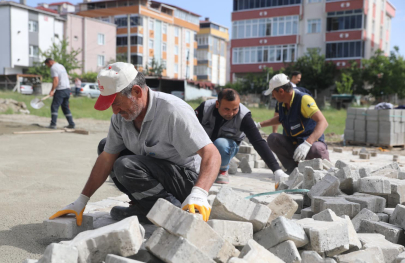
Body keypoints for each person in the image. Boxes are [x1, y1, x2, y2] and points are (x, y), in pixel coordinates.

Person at [49, 62, 220, 224]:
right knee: (105, 147)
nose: (114, 111)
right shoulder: (120, 118)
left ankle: (169, 209)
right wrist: (81, 201)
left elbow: (212, 153)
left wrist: (199, 193)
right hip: (158, 173)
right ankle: (147, 207)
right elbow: (106, 159)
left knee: (126, 165)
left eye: (116, 103)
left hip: (187, 182)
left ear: (137, 92)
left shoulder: (172, 111)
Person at [194, 89, 285, 184]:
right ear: (217, 104)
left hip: (227, 147)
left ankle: (223, 169)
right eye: (226, 109)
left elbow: (258, 142)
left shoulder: (244, 116)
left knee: (221, 143)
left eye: (235, 109)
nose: (231, 113)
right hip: (204, 146)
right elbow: (188, 128)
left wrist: (277, 170)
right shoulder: (205, 108)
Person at [258, 73, 329, 179]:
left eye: (273, 93)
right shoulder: (281, 103)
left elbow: (323, 122)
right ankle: (292, 169)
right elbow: (281, 118)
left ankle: (326, 170)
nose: (273, 96)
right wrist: (259, 125)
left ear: (281, 91)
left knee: (316, 149)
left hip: (311, 144)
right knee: (273, 138)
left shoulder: (303, 99)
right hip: (294, 144)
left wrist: (307, 144)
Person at [44, 58, 75, 129]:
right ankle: (71, 124)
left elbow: (56, 79)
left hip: (61, 89)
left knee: (54, 106)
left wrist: (52, 90)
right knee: (65, 107)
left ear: (50, 62)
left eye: (47, 65)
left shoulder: (53, 67)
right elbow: (65, 77)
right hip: (67, 89)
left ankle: (53, 124)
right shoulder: (61, 66)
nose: (48, 66)